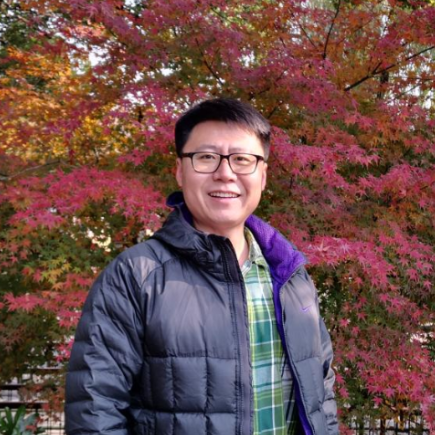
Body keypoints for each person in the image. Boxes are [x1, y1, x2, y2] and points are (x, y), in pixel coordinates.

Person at [65, 98, 338, 435]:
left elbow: (322, 391)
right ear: (180, 171)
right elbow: (95, 413)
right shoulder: (135, 277)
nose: (225, 173)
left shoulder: (291, 276)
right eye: (206, 157)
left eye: (242, 159)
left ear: (263, 176)